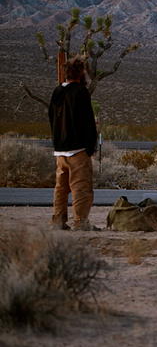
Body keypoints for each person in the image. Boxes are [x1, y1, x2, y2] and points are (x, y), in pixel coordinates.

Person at [48, 58, 98, 230]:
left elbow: (51, 117)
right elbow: (87, 121)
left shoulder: (57, 92)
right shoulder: (81, 92)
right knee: (80, 187)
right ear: (80, 72)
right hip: (78, 149)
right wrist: (91, 145)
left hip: (60, 149)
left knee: (61, 187)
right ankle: (80, 222)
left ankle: (58, 220)